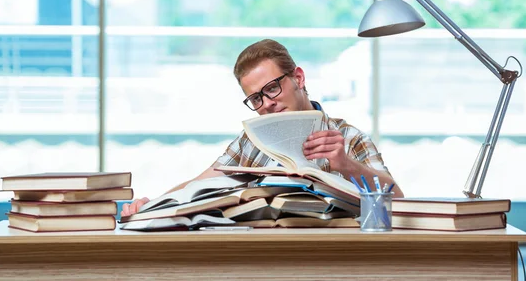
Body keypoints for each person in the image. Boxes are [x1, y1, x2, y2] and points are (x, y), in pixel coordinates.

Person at [121, 39, 403, 216]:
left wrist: (346, 165)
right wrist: (155, 204)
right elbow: (202, 182)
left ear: (299, 78)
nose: (267, 103)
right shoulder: (252, 140)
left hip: (332, 257)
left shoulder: (349, 137)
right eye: (256, 98)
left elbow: (399, 202)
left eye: (272, 88)